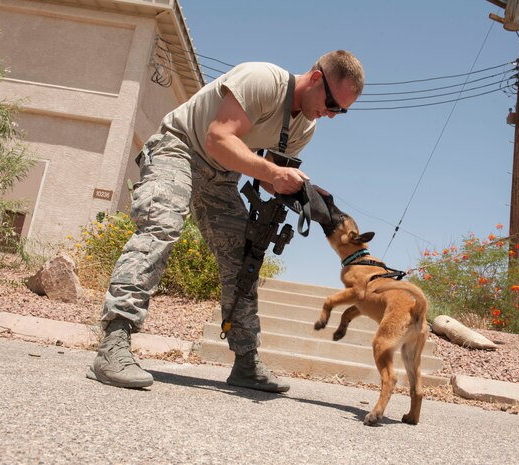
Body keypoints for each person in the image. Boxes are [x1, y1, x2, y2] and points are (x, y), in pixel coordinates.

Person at [86, 50, 365, 393]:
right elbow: (218, 138)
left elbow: (268, 178)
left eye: (342, 111)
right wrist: (276, 173)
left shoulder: (304, 126)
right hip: (180, 149)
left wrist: (304, 192)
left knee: (242, 257)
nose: (333, 116)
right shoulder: (262, 79)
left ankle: (246, 362)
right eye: (333, 104)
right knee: (162, 224)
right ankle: (113, 342)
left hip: (222, 176)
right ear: (317, 78)